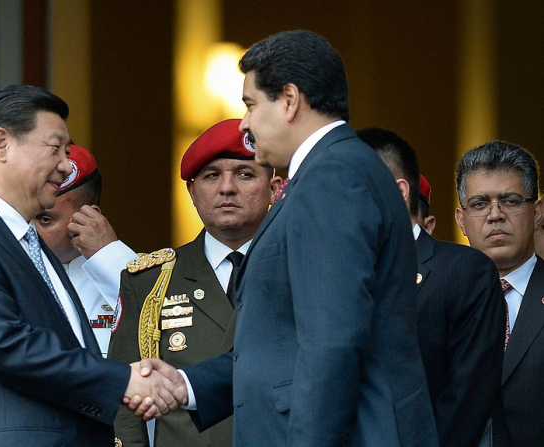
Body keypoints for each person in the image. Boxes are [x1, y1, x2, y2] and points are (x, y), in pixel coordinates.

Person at [134, 30, 438, 447]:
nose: (245, 122)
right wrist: (189, 384)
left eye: (251, 104)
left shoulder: (331, 178)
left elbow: (332, 343)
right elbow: (287, 344)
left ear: (290, 100)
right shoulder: (332, 171)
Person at [0, 84, 185, 446]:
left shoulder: (29, 242)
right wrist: (122, 380)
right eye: (55, 148)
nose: (65, 164)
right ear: (2, 144)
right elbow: (5, 345)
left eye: (68, 151)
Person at [109, 118, 280, 447]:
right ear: (191, 191)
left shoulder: (300, 270)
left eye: (245, 174)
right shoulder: (149, 282)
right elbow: (126, 400)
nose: (226, 188)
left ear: (274, 189)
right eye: (211, 176)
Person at [360, 127, 504, 447]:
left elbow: (466, 398)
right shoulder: (344, 273)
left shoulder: (463, 270)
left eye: (351, 187)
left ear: (397, 191)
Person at [454, 140, 544, 447]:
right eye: (480, 204)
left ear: (537, 212)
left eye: (510, 201)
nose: (495, 215)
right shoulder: (435, 297)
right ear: (461, 220)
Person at [34, 144, 137, 358]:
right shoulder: (4, 270)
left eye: (44, 219)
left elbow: (158, 323)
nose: (29, 229)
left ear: (89, 217)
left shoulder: (130, 272)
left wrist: (109, 254)